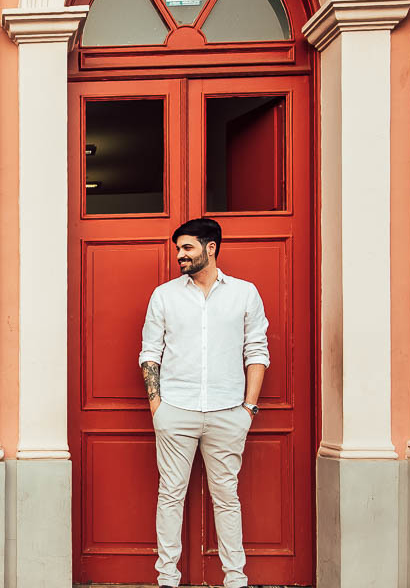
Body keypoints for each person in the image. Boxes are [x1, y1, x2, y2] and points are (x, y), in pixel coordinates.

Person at [138, 218, 269, 588]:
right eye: (178, 248)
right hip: (175, 411)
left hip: (229, 412)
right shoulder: (164, 295)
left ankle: (235, 579)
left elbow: (257, 351)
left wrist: (248, 409)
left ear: (210, 248)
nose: (179, 255)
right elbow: (150, 353)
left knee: (227, 497)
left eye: (187, 248)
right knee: (170, 496)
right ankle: (167, 579)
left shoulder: (245, 293)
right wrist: (158, 408)